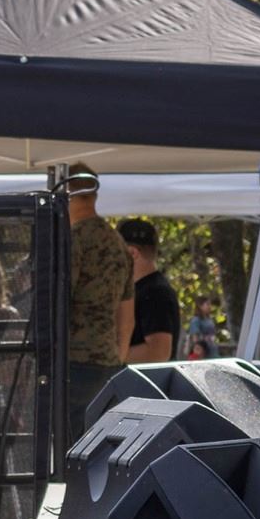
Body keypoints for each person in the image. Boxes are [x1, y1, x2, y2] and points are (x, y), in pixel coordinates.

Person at [63, 165, 132, 446]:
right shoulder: (118, 244)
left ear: (68, 193)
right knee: (99, 446)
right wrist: (118, 361)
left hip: (75, 360)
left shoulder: (74, 240)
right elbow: (127, 318)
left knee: (70, 449)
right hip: (108, 361)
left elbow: (59, 304)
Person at [116, 219, 181, 364]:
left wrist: (108, 359)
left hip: (143, 385)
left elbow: (159, 352)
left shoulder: (155, 293)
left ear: (132, 253)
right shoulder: (146, 289)